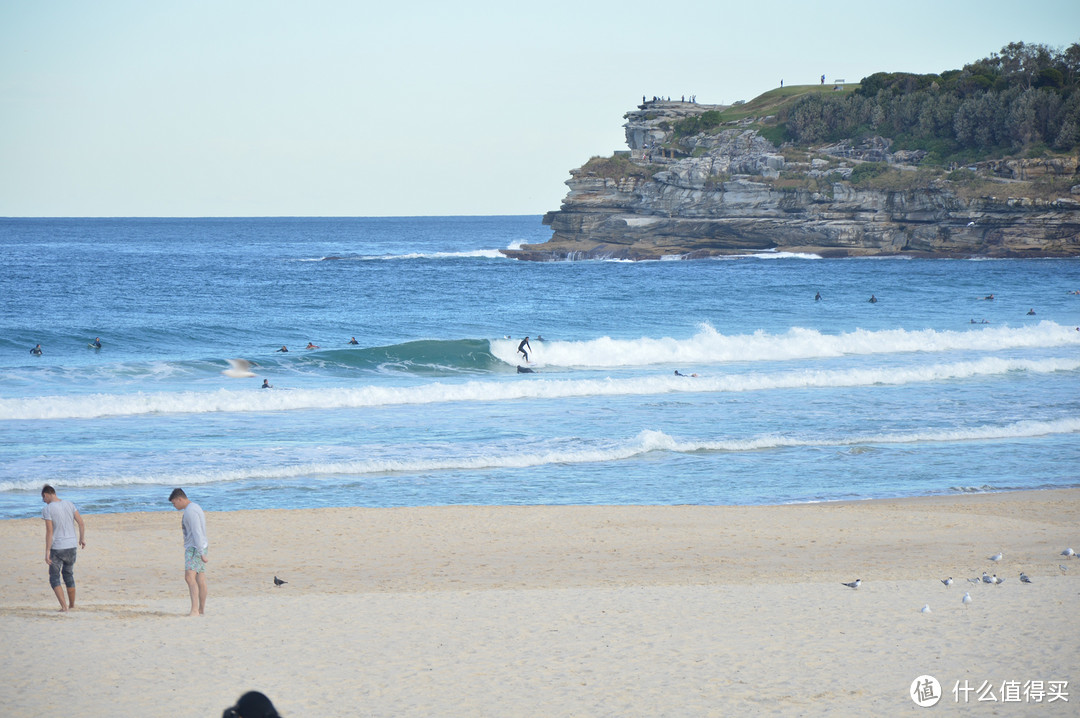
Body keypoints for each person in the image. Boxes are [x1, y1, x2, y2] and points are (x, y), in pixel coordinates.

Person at [41, 485, 86, 612]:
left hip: (58, 547)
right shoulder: (69, 504)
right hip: (71, 546)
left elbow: (49, 531)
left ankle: (64, 607)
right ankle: (72, 605)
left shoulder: (47, 509)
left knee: (54, 577)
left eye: (43, 498)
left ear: (46, 494)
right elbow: (81, 523)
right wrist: (82, 539)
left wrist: (47, 551)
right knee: (68, 575)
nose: (44, 501)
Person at [169, 488, 208, 616]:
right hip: (200, 546)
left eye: (174, 503)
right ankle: (201, 609)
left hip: (194, 548)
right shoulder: (195, 507)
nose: (174, 506)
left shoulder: (190, 512)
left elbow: (197, 532)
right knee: (200, 578)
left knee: (189, 578)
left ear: (180, 499)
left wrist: (201, 552)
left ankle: (195, 610)